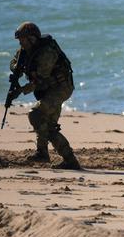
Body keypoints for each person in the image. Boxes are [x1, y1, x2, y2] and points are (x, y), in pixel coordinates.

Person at [9, 22, 81, 170]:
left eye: (23, 39)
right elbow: (14, 63)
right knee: (48, 127)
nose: (20, 43)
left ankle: (42, 153)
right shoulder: (25, 50)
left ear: (32, 39)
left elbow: (39, 79)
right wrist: (16, 69)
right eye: (19, 40)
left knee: (35, 114)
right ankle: (70, 160)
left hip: (61, 88)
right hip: (48, 89)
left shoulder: (46, 53)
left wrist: (20, 91)